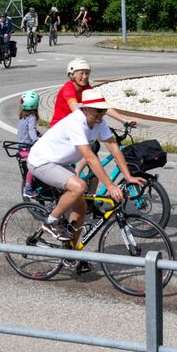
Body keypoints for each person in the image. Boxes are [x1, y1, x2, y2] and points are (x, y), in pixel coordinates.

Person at [25, 88, 143, 242]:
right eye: (98, 110)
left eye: (104, 110)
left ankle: (72, 254)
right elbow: (89, 156)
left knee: (81, 208)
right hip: (41, 161)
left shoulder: (99, 121)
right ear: (85, 109)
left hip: (61, 162)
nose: (102, 113)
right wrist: (110, 186)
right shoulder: (77, 121)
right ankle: (51, 221)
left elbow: (113, 146)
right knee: (79, 186)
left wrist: (128, 176)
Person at [50, 58, 137, 129]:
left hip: (75, 125)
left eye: (87, 73)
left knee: (95, 144)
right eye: (81, 73)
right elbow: (74, 107)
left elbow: (102, 106)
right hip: (60, 127)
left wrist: (124, 120)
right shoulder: (68, 89)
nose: (84, 76)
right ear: (72, 75)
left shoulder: (87, 88)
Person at [17, 90, 41, 198]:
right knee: (34, 164)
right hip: (27, 148)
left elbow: (28, 130)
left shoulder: (22, 115)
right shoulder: (32, 117)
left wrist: (39, 134)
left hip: (22, 147)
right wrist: (36, 141)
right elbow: (31, 130)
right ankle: (27, 188)